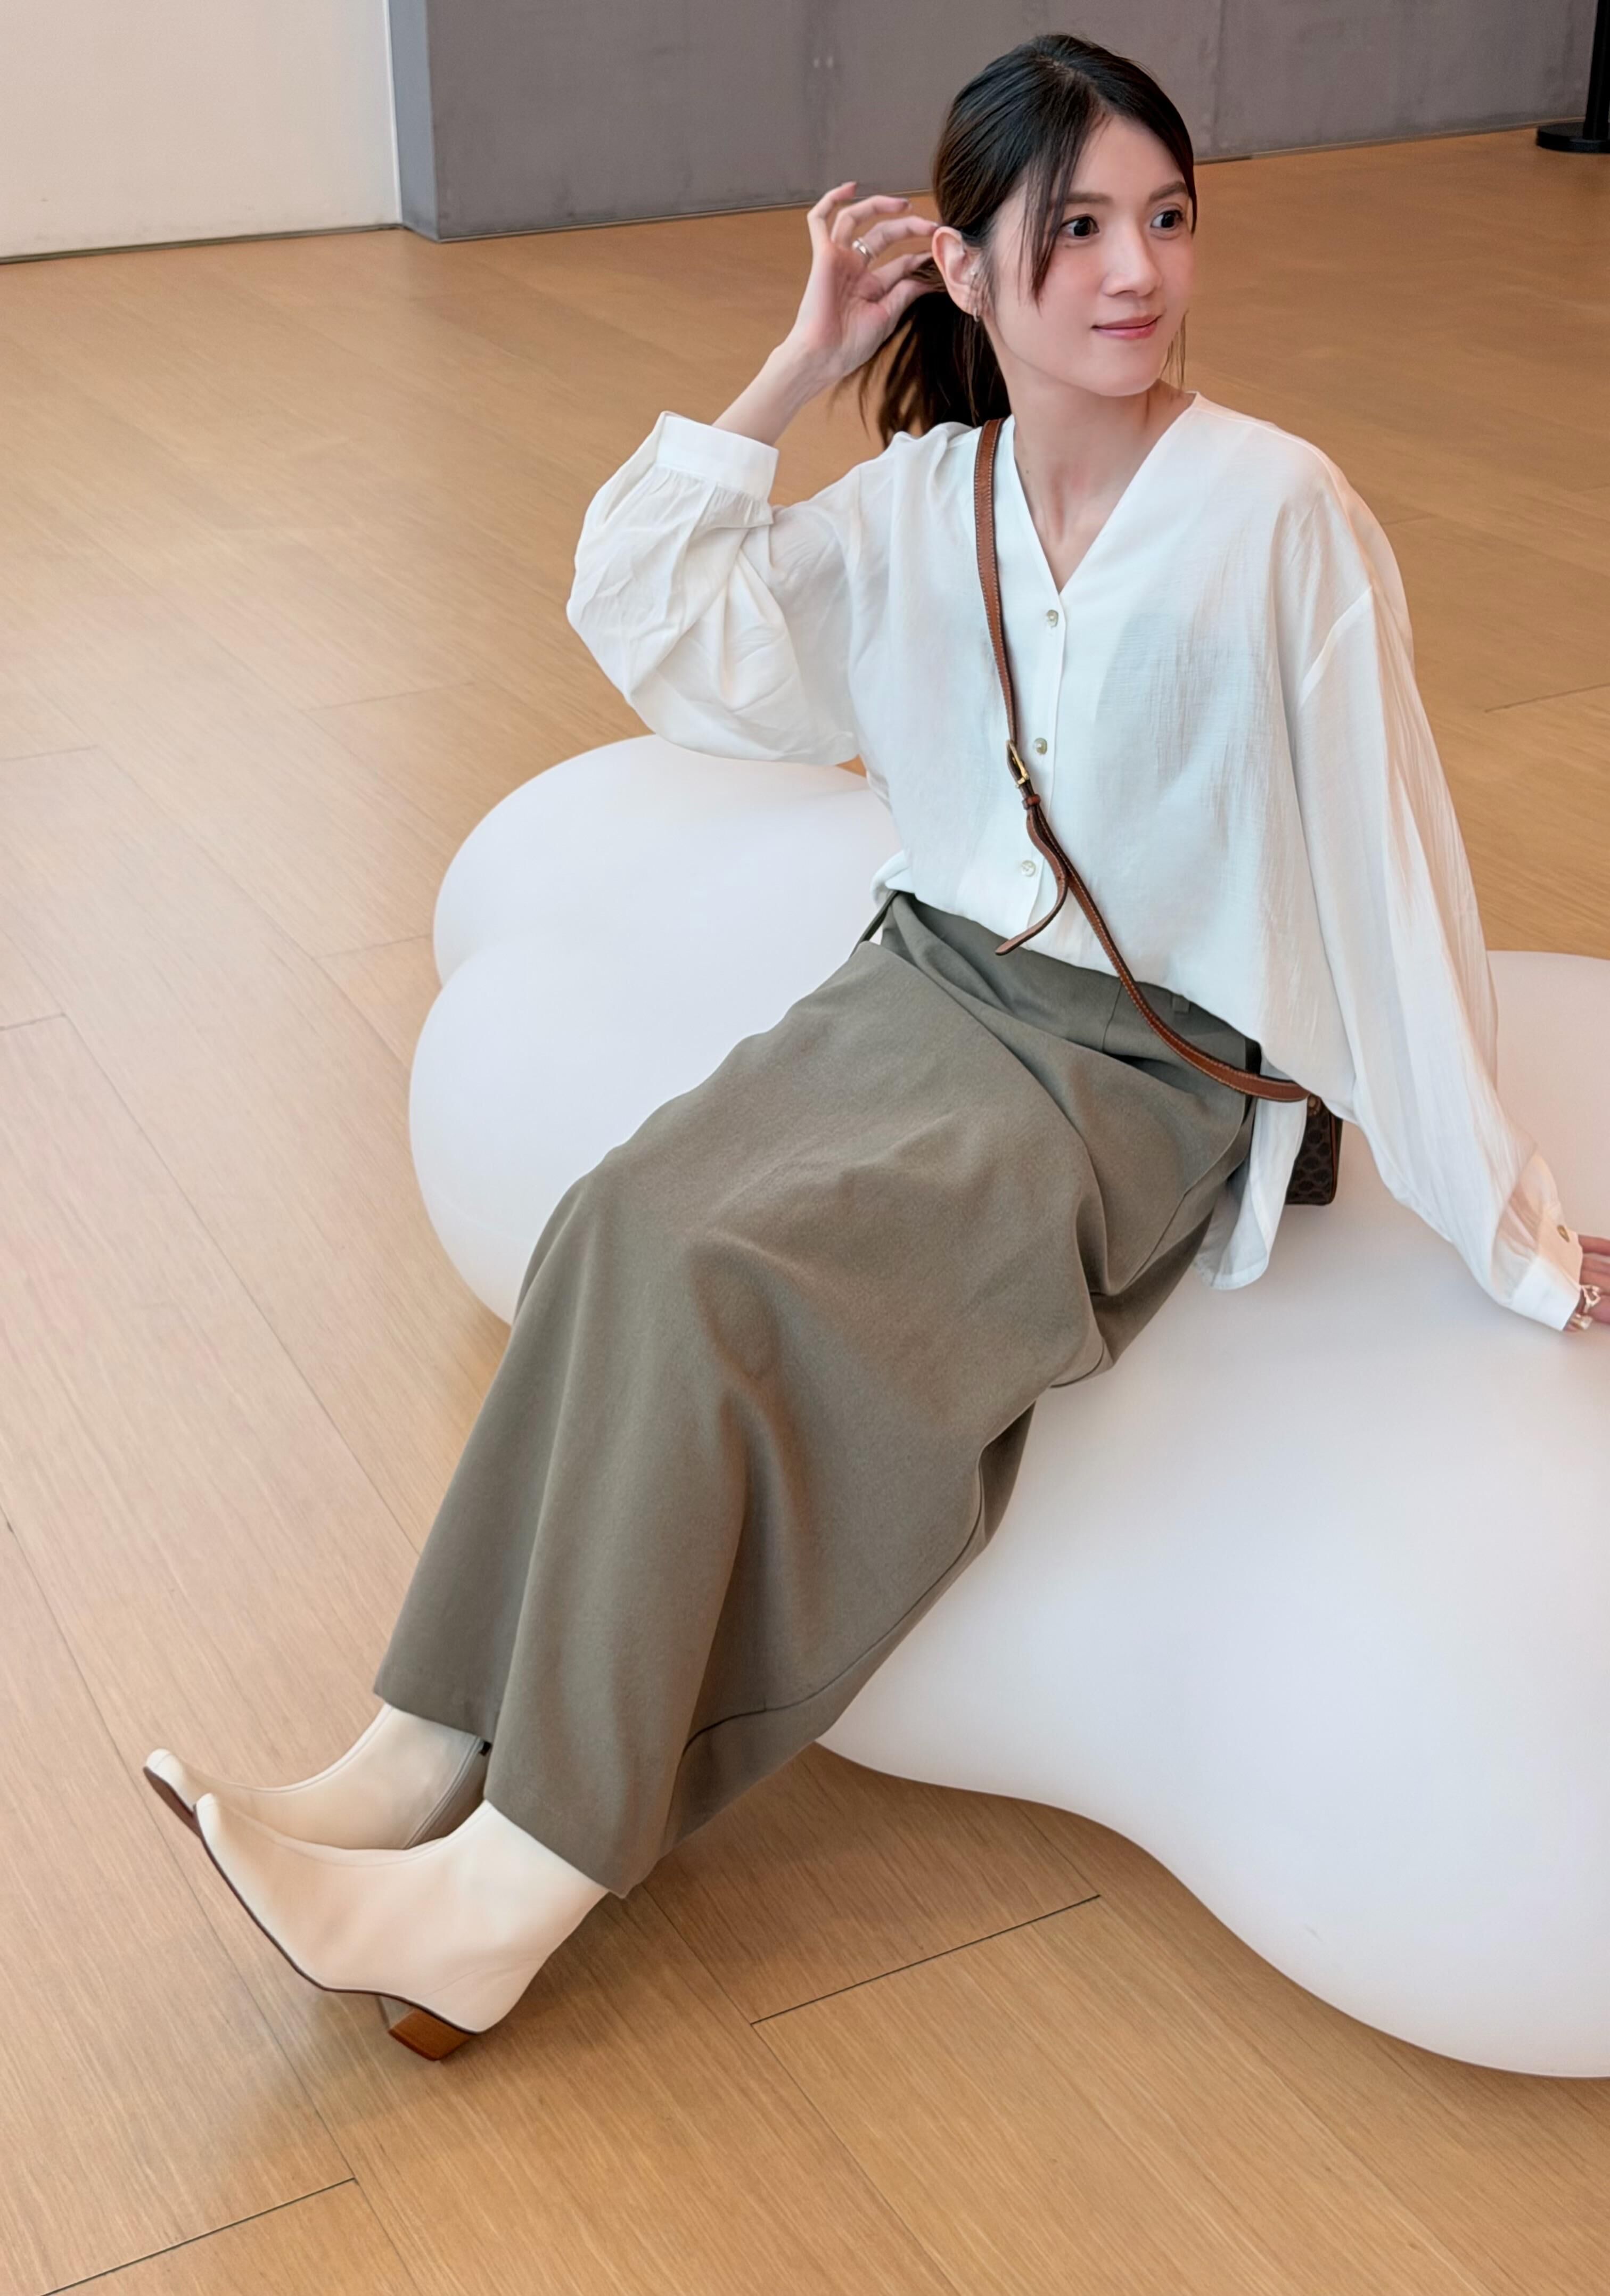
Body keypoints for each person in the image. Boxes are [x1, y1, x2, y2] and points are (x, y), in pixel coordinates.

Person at [143, 32, 1607, 2059]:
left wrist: (1508, 1224)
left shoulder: (1280, 512)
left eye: (1166, 218)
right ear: (972, 271)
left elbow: (1386, 870)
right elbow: (664, 627)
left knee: (733, 1284)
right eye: (1074, 229)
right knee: (628, 1215)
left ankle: (514, 1881)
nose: (1136, 270)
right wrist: (800, 361)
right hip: (923, 981)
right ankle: (410, 1750)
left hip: (1146, 1071)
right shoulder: (928, 503)